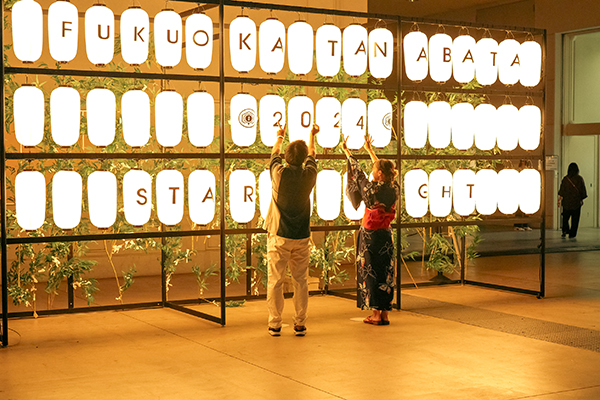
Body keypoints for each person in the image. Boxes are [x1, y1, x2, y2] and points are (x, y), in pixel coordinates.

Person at [264, 122, 319, 337]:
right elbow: (313, 153)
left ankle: (275, 324)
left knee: (275, 281)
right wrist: (312, 134)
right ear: (304, 159)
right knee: (301, 281)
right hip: (302, 236)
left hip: (279, 235)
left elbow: (274, 154)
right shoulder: (310, 175)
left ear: (287, 158)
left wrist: (280, 136)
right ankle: (300, 324)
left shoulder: (279, 174)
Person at [341, 133, 398, 325]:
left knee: (371, 272)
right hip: (386, 235)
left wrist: (348, 152)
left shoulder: (371, 190)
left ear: (379, 173)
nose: (372, 171)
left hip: (370, 236)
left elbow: (358, 174)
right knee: (386, 272)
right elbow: (382, 170)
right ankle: (385, 313)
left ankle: (375, 315)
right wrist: (370, 151)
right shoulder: (394, 187)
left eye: (374, 169)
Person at [558, 162, 587, 239]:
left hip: (566, 202)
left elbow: (562, 190)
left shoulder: (565, 179)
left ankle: (565, 230)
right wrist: (581, 199)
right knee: (575, 219)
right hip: (576, 203)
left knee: (565, 218)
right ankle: (572, 234)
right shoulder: (579, 179)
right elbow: (582, 190)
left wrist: (560, 198)